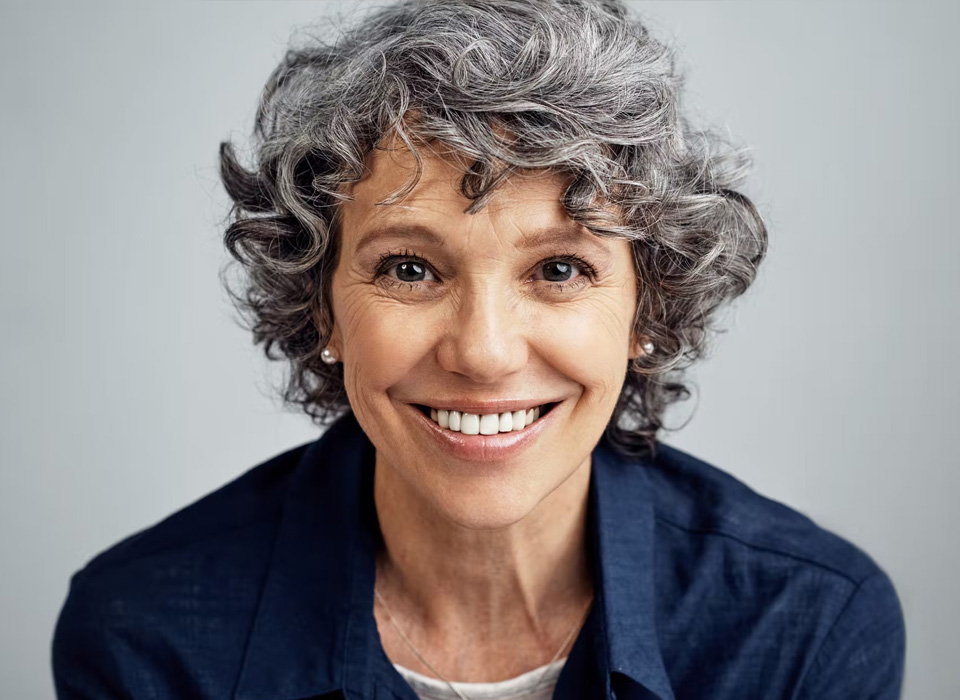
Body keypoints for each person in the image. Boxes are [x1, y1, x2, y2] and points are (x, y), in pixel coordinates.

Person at [51, 1, 906, 698]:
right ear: (323, 308)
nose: (485, 353)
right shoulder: (146, 637)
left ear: (650, 305)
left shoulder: (807, 625)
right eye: (412, 268)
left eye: (561, 267)